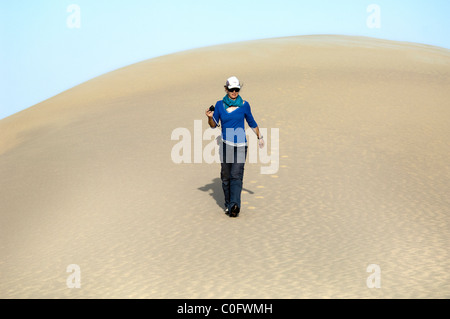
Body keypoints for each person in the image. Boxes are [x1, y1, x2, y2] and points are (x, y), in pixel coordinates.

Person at [205, 76, 264, 218]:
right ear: (226, 89)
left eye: (237, 89)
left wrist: (259, 137)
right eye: (231, 89)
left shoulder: (244, 105)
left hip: (241, 145)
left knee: (236, 175)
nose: (234, 92)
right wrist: (209, 116)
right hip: (225, 145)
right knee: (226, 177)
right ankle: (228, 204)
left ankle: (234, 206)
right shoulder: (219, 105)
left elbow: (251, 121)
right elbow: (213, 125)